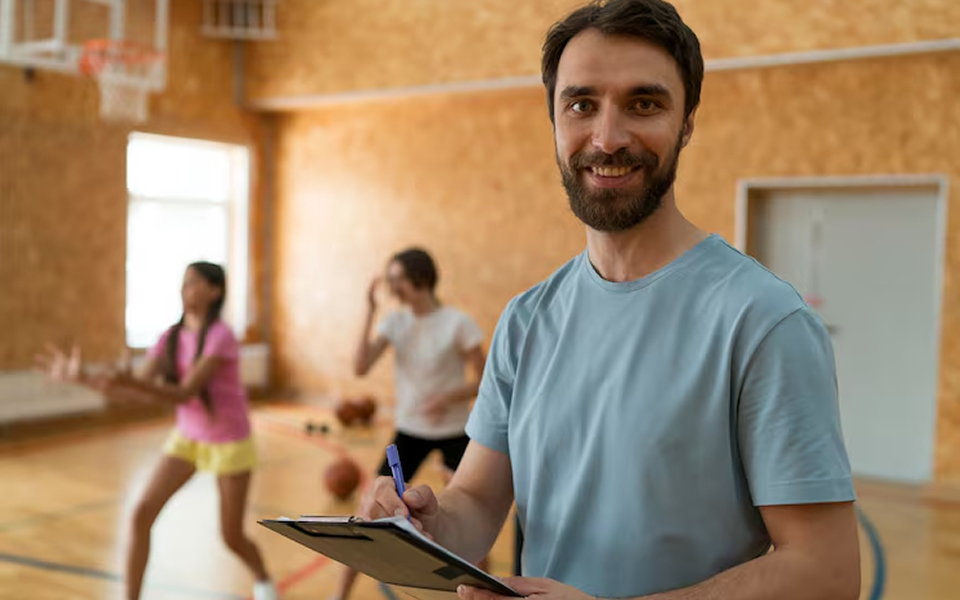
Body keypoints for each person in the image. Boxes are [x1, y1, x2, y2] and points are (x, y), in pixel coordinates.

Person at [356, 1, 861, 600]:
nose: (608, 137)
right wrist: (425, 523)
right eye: (581, 104)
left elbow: (825, 572)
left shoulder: (763, 320)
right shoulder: (526, 320)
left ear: (688, 121)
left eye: (643, 103)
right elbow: (478, 503)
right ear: (554, 121)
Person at [36, 262, 279, 600]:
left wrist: (129, 381)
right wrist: (83, 378)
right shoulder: (170, 337)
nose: (185, 289)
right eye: (183, 283)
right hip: (188, 437)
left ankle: (264, 580)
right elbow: (132, 395)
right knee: (141, 513)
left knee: (231, 535)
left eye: (193, 283)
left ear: (215, 291)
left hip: (228, 439)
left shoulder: (221, 336)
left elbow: (183, 393)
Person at [331, 247, 488, 600]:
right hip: (409, 432)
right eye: (390, 278)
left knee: (477, 511)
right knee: (368, 510)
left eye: (397, 278)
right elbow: (359, 368)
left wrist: (447, 397)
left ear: (421, 277)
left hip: (454, 432)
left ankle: (480, 591)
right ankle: (339, 593)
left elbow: (485, 379)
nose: (392, 285)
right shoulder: (395, 323)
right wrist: (369, 312)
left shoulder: (457, 323)